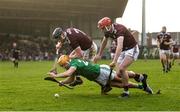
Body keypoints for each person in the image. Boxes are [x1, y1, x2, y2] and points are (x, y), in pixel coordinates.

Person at [48, 55, 153, 95]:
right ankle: (141, 86)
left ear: (66, 62)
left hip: (101, 72)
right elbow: (70, 79)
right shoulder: (72, 66)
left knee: (121, 78)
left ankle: (139, 76)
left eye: (63, 65)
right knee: (120, 85)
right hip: (98, 77)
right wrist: (62, 82)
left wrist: (56, 76)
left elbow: (68, 73)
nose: (63, 67)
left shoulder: (73, 64)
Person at [93, 17, 140, 97]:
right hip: (123, 50)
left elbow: (119, 46)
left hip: (132, 48)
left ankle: (126, 92)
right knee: (118, 74)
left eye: (103, 28)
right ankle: (139, 76)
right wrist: (99, 54)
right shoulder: (108, 30)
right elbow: (104, 41)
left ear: (108, 26)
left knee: (122, 69)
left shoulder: (119, 29)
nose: (102, 30)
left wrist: (114, 61)